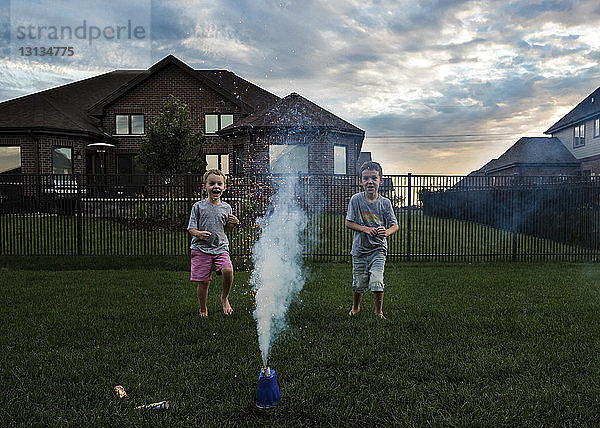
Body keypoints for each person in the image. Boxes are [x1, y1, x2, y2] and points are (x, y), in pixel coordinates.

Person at [345, 161, 399, 319]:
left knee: (376, 280)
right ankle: (356, 307)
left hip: (378, 250)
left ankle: (378, 312)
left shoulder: (385, 203)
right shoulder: (356, 200)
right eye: (366, 178)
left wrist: (387, 232)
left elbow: (395, 225)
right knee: (359, 283)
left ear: (381, 181)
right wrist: (366, 229)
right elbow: (348, 222)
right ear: (360, 181)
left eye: (374, 178)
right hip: (360, 250)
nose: (370, 181)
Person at [188, 169, 239, 316]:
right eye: (211, 183)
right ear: (205, 187)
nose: (215, 186)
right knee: (204, 282)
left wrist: (233, 224)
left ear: (224, 187)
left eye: (219, 183)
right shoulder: (198, 206)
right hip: (200, 248)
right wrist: (199, 233)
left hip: (220, 247)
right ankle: (203, 308)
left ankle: (224, 298)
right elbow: (191, 228)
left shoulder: (226, 207)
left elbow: (226, 229)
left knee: (228, 270)